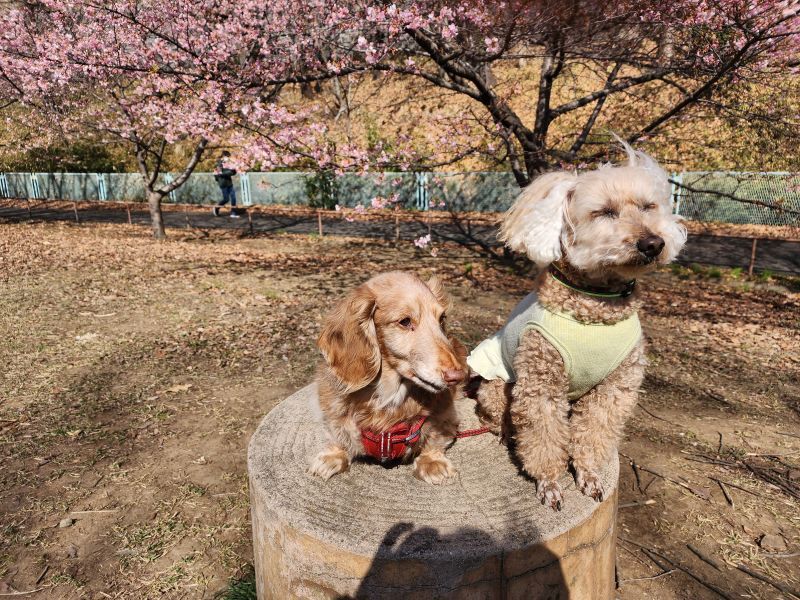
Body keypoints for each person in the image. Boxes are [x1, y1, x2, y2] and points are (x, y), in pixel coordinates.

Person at [213, 151, 240, 217]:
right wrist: (229, 172)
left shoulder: (228, 163)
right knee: (226, 199)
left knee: (233, 198)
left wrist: (231, 171)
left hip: (229, 183)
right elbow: (219, 173)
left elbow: (233, 172)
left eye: (228, 157)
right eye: (227, 156)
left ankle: (233, 213)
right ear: (223, 156)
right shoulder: (218, 164)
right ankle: (216, 207)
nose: (228, 158)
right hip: (223, 184)